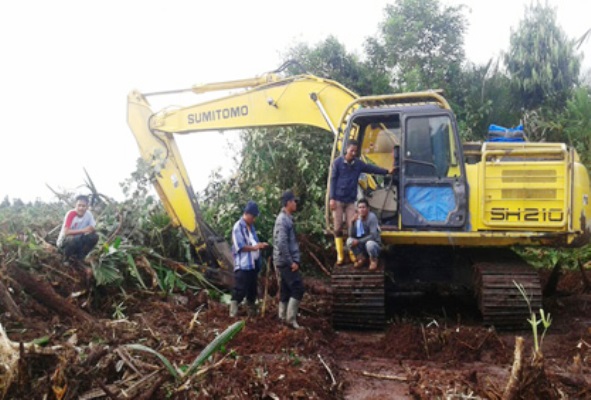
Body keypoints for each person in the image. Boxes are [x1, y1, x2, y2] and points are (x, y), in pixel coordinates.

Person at [330, 139, 393, 265]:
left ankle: (354, 255)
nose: (353, 153)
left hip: (350, 200)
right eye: (351, 150)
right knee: (337, 228)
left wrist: (386, 171)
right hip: (338, 199)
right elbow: (332, 181)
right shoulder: (337, 163)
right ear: (346, 149)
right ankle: (340, 256)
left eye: (355, 151)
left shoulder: (358, 164)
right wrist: (332, 198)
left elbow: (371, 168)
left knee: (351, 226)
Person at [229, 200, 269, 317]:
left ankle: (252, 314)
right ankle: (233, 314)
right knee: (239, 290)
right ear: (247, 214)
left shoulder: (251, 227)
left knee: (252, 290)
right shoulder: (238, 227)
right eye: (253, 216)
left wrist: (260, 245)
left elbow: (253, 243)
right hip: (243, 265)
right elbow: (240, 247)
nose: (254, 219)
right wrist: (256, 247)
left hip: (253, 264)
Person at [273, 190, 305, 329]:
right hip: (285, 262)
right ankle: (290, 320)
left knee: (286, 289)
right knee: (298, 288)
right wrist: (291, 262)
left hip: (284, 261)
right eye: (294, 201)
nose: (295, 203)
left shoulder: (287, 218)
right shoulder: (282, 220)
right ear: (288, 203)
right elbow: (281, 243)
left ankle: (282, 317)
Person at [57, 195, 99, 262]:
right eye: (79, 205)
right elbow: (66, 232)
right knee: (72, 239)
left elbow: (92, 227)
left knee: (94, 237)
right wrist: (83, 230)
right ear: (75, 205)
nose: (81, 208)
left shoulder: (89, 214)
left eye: (83, 206)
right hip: (65, 242)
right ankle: (66, 259)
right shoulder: (71, 214)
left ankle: (80, 257)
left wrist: (91, 229)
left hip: (78, 241)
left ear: (87, 207)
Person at [346, 198, 382, 271]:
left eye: (363, 207)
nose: (362, 209)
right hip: (361, 245)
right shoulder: (356, 218)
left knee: (369, 244)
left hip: (373, 245)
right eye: (360, 207)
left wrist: (358, 241)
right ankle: (361, 258)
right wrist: (352, 223)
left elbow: (373, 235)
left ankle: (373, 260)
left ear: (368, 209)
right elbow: (350, 235)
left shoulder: (372, 217)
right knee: (349, 241)